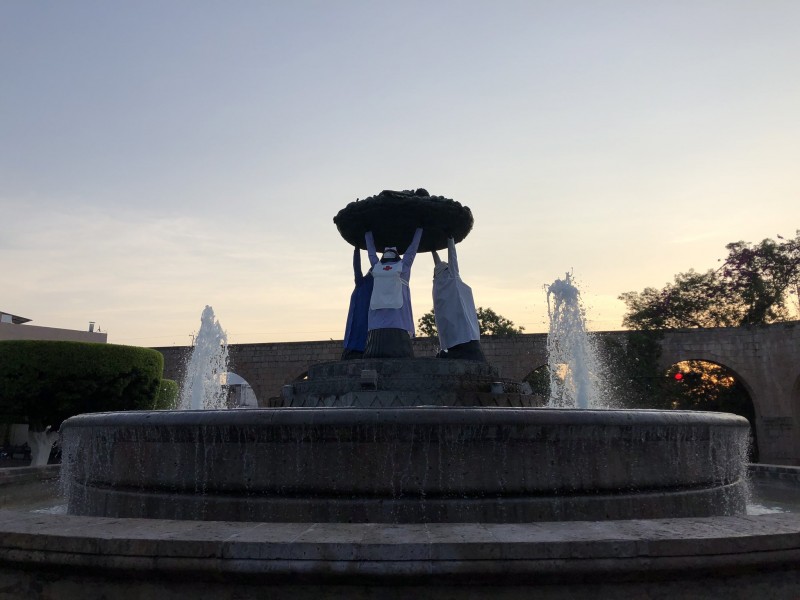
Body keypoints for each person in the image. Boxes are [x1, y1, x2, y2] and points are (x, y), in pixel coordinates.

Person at [363, 227, 423, 358]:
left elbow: (371, 253)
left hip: (376, 328)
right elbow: (412, 249)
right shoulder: (404, 266)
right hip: (399, 325)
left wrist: (367, 232)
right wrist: (419, 229)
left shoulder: (376, 266)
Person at [431, 237, 486, 361]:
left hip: (457, 340)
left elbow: (445, 263)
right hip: (464, 338)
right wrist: (450, 239)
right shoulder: (451, 279)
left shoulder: (439, 285)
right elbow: (452, 258)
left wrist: (433, 250)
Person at [341, 246, 374, 359]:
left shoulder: (362, 283)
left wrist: (357, 250)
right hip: (365, 331)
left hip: (356, 336)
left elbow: (357, 267)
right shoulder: (371, 286)